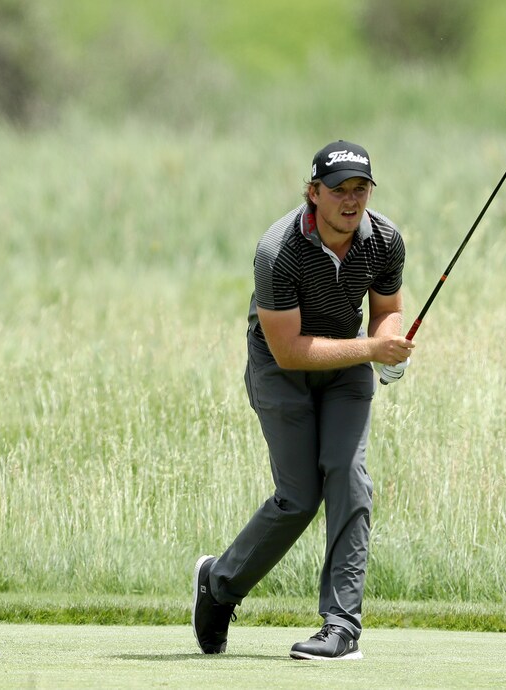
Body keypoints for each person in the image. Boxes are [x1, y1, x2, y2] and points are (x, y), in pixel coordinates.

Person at [192, 140, 414, 661]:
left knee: (348, 475)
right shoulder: (279, 250)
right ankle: (219, 585)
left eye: (361, 189)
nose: (351, 200)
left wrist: (392, 346)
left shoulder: (384, 240)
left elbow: (387, 310)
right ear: (313, 193)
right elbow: (290, 351)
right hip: (280, 366)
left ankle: (341, 627)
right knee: (298, 497)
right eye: (339, 190)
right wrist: (373, 347)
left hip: (345, 365)